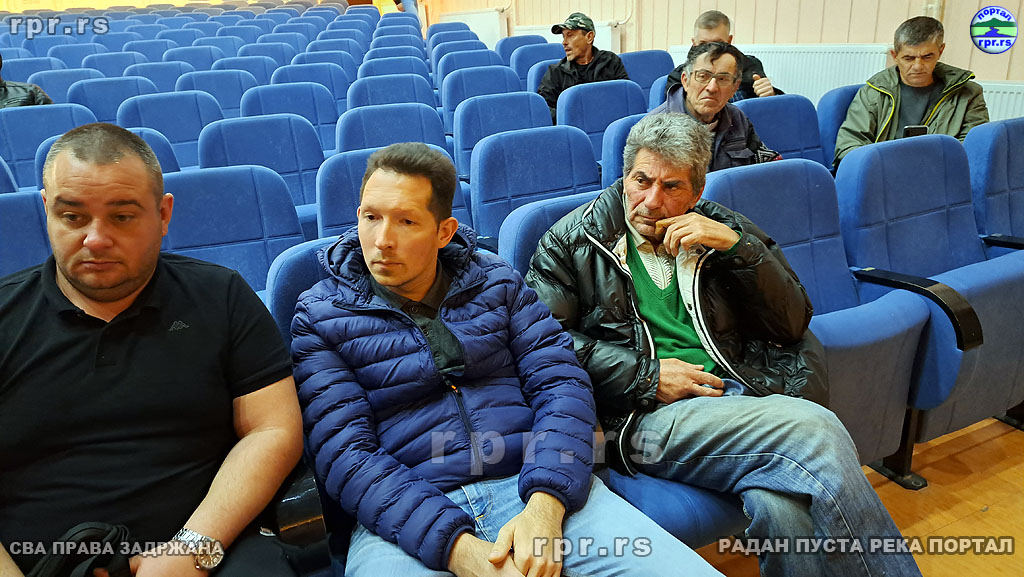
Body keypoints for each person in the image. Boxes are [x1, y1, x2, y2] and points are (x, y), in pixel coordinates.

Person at [290, 142, 723, 577]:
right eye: (371, 217)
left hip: (534, 482)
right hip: (405, 517)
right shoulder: (321, 315)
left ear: (444, 232)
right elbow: (346, 453)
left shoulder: (496, 280)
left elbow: (562, 385)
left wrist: (546, 504)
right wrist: (458, 550)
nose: (382, 240)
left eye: (406, 221)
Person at [526, 113, 923, 577]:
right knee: (817, 431)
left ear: (697, 191)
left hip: (740, 400)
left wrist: (740, 250)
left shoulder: (722, 229)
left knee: (782, 508)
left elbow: (792, 323)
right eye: (641, 181)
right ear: (624, 176)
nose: (652, 201)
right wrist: (646, 375)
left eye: (671, 187)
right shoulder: (571, 242)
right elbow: (545, 345)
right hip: (642, 417)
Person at [0, 123, 304, 576]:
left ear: (163, 215)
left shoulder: (220, 295)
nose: (95, 238)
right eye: (72, 217)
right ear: (46, 210)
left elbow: (272, 428)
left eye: (122, 217)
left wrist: (193, 549)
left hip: (209, 548)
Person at [834, 16, 988, 168]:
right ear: (895, 56)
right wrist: (882, 167)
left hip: (940, 174)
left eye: (927, 57)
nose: (918, 66)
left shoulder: (968, 94)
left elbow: (973, 149)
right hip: (883, 173)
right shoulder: (873, 93)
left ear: (940, 51)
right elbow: (849, 146)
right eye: (908, 58)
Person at [651, 41, 780, 171]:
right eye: (703, 76)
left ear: (735, 88)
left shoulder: (737, 118)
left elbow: (769, 166)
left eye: (722, 79)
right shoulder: (656, 129)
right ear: (685, 81)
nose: (712, 88)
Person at [665, 10, 783, 103]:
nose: (710, 51)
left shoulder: (750, 65)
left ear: (729, 40)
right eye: (703, 44)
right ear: (694, 43)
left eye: (717, 43)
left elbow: (769, 108)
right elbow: (674, 114)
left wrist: (771, 95)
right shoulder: (679, 75)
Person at [537, 12, 629, 123]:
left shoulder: (610, 62)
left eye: (570, 35)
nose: (564, 42)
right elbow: (543, 109)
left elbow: (626, 97)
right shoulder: (555, 72)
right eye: (563, 37)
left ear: (589, 37)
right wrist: (576, 117)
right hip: (573, 128)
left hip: (608, 124)